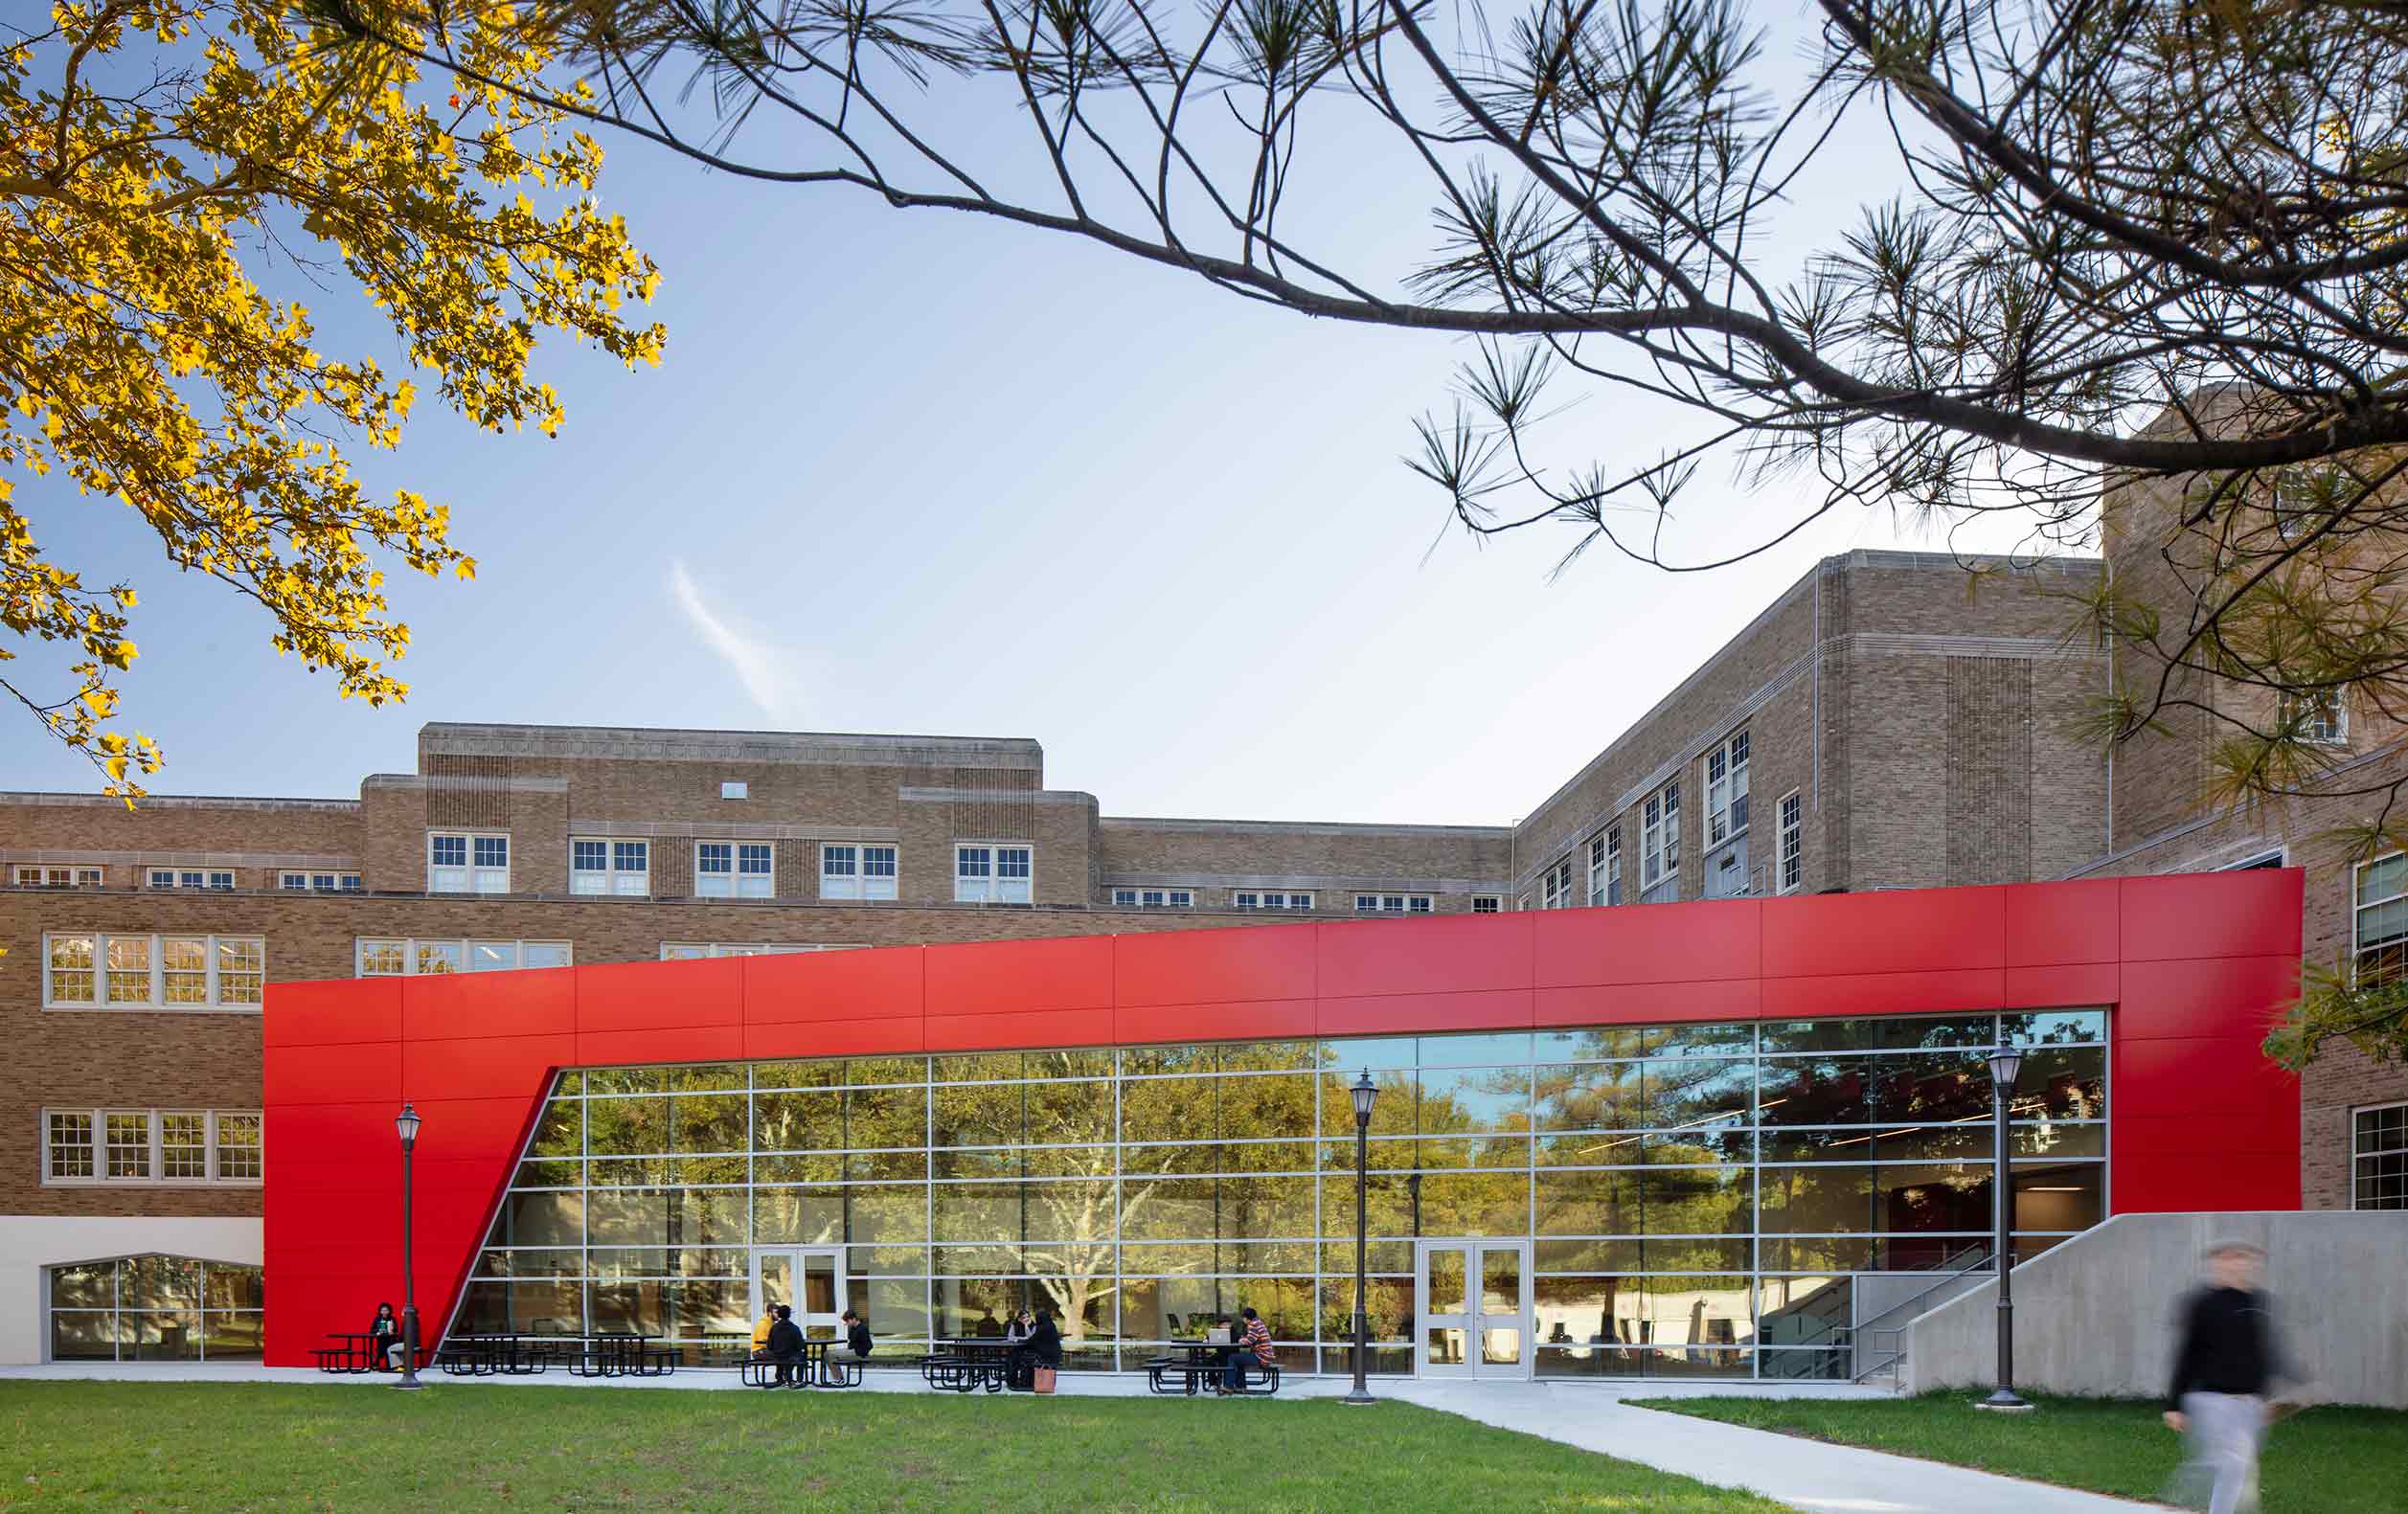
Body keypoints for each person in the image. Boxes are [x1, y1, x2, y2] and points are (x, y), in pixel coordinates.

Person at [2166, 1242, 2290, 1514]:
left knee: (2242, 1472)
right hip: (2210, 1399)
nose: (2235, 1264)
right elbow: (2187, 1353)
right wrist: (2174, 1404)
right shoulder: (2202, 1303)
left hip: (2249, 1402)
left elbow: (2265, 1351)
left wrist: (2269, 1396)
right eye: (2227, 1259)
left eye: (2241, 1258)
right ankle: (2188, 1493)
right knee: (2234, 1464)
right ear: (2215, 1264)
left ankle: (2200, 1482)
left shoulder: (2259, 1301)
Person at [1221, 1306, 1272, 1395]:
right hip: (1265, 1355)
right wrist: (1244, 1339)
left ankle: (1229, 1387)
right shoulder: (1258, 1322)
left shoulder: (1253, 1324)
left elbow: (1249, 1341)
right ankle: (1241, 1386)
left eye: (1243, 1318)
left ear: (1246, 1318)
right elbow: (1252, 1338)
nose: (1243, 1320)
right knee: (1239, 1360)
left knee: (1232, 1358)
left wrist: (1241, 1340)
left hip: (1261, 1356)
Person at [764, 1303, 805, 1389]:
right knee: (802, 1356)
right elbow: (800, 1345)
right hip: (791, 1356)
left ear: (778, 1314)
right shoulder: (794, 1328)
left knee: (782, 1357)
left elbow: (770, 1345)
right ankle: (799, 1380)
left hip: (777, 1356)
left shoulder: (774, 1328)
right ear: (789, 1315)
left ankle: (780, 1379)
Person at [1027, 1305, 1063, 1390]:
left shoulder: (1042, 1327)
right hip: (1055, 1353)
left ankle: (1030, 1382)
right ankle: (1049, 1384)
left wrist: (1025, 1341)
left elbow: (1032, 1340)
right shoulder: (1051, 1325)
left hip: (1047, 1354)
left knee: (1024, 1357)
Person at [829, 1308, 874, 1373]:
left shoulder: (862, 1329)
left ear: (854, 1319)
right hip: (851, 1351)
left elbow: (869, 1345)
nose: (846, 1323)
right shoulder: (853, 1328)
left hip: (857, 1353)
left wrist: (859, 1353)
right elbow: (851, 1340)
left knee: (830, 1355)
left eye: (847, 1321)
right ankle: (838, 1376)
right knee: (827, 1354)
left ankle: (838, 1378)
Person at [1004, 1307, 1035, 1389]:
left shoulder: (1033, 1325)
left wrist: (1026, 1326)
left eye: (1027, 1317)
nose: (1026, 1319)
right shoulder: (1014, 1325)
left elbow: (1031, 1338)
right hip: (1016, 1349)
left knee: (1025, 1360)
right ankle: (1012, 1382)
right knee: (1012, 1360)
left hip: (1029, 1350)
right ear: (1019, 1319)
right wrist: (1020, 1338)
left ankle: (1024, 1381)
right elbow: (1010, 1337)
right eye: (1023, 1317)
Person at [367, 1300, 403, 1371]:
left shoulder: (392, 1319)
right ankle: (376, 1363)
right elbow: (372, 1329)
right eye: (382, 1310)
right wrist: (378, 1331)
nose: (384, 1312)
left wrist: (391, 1330)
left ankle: (379, 1363)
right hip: (380, 1339)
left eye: (386, 1310)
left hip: (390, 1339)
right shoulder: (377, 1319)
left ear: (389, 1311)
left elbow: (396, 1330)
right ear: (380, 1311)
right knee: (381, 1347)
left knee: (385, 1348)